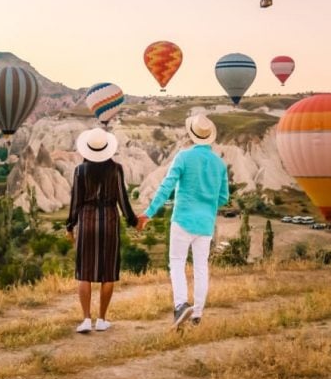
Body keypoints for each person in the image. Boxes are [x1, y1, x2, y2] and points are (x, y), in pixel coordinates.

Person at [137, 114, 229, 329]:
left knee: (177, 263)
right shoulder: (219, 164)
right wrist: (208, 204)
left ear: (192, 134)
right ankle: (197, 312)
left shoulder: (183, 157)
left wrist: (148, 213)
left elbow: (166, 187)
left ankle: (180, 305)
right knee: (201, 267)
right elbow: (224, 197)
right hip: (205, 224)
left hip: (182, 220)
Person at [66, 126, 138, 334]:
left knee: (84, 273)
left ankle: (86, 319)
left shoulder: (80, 171)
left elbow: (75, 202)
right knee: (108, 273)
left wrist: (70, 225)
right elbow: (123, 200)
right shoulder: (116, 169)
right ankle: (101, 319)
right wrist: (133, 221)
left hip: (86, 221)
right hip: (109, 222)